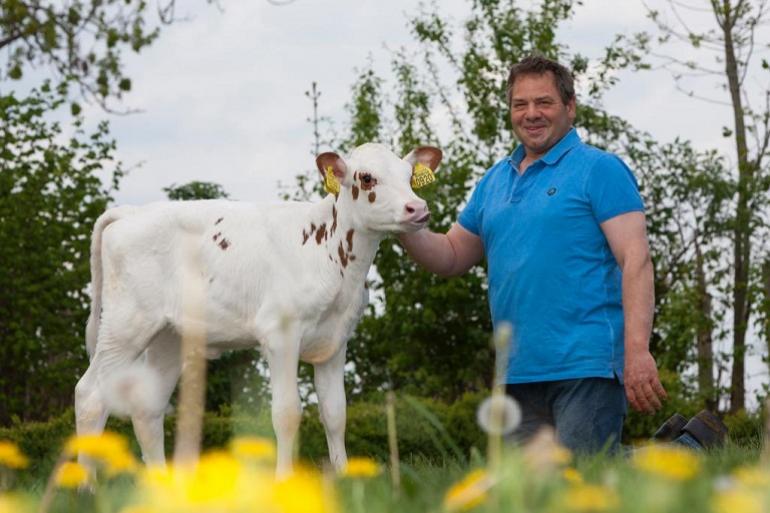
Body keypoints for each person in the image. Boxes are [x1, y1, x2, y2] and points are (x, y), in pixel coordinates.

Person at [398, 55, 667, 454]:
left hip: (586, 363)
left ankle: (688, 454)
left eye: (544, 103)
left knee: (583, 483)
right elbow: (452, 255)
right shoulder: (494, 181)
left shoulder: (599, 169)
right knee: (531, 495)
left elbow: (636, 259)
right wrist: (401, 221)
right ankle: (675, 454)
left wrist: (637, 350)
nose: (531, 114)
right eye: (520, 105)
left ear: (569, 106)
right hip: (518, 372)